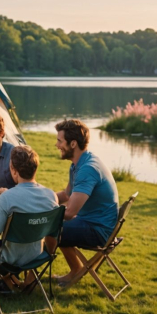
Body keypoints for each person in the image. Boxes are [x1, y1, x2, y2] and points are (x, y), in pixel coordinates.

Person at [0, 145, 58, 298]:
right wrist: (48, 252)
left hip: (11, 258)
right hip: (37, 255)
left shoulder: (7, 198)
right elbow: (53, 236)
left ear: (13, 170)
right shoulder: (51, 195)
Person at [46, 119, 119, 287]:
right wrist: (41, 198)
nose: (57, 145)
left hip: (98, 230)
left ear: (73, 144)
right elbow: (66, 194)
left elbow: (70, 212)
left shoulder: (88, 168)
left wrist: (43, 215)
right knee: (54, 225)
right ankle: (76, 270)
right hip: (91, 221)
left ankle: (38, 271)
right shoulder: (78, 164)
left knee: (50, 229)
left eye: (59, 141)